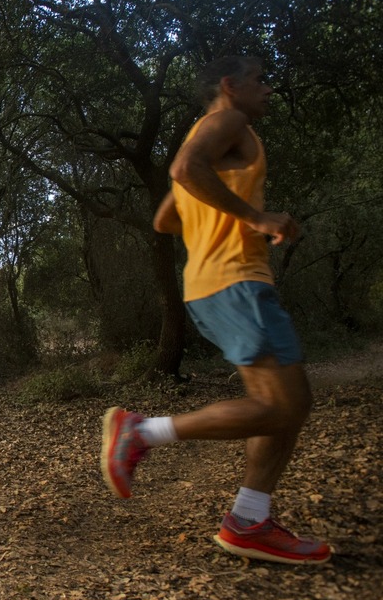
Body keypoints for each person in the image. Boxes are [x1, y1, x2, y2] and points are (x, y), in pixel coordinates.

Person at [101, 56, 331, 564]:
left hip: (208, 286)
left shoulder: (206, 140)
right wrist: (256, 217)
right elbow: (185, 170)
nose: (268, 89)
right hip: (237, 282)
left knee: (287, 407)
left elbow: (165, 218)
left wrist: (214, 216)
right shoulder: (230, 119)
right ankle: (141, 433)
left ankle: (249, 521)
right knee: (282, 407)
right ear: (230, 86)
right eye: (259, 80)